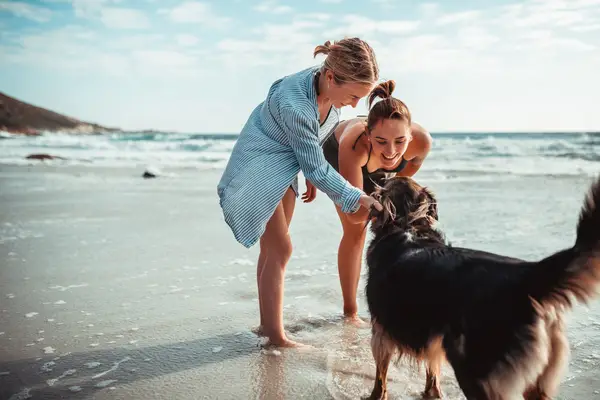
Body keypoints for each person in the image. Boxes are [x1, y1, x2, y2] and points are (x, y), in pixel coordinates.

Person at [217, 37, 383, 348]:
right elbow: (318, 169)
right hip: (259, 163)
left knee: (272, 250)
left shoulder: (328, 83)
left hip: (287, 163)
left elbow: (313, 151)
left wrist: (311, 166)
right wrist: (356, 197)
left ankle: (267, 325)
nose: (355, 105)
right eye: (353, 95)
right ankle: (276, 336)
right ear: (331, 78)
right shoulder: (295, 104)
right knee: (281, 249)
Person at [302, 80, 432, 324]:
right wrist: (370, 203)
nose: (392, 151)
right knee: (356, 230)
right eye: (381, 141)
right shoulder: (355, 143)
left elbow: (411, 166)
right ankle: (350, 312)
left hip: (374, 168)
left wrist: (387, 194)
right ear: (369, 134)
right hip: (336, 155)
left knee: (399, 227)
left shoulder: (422, 142)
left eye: (400, 141)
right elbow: (354, 213)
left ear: (410, 135)